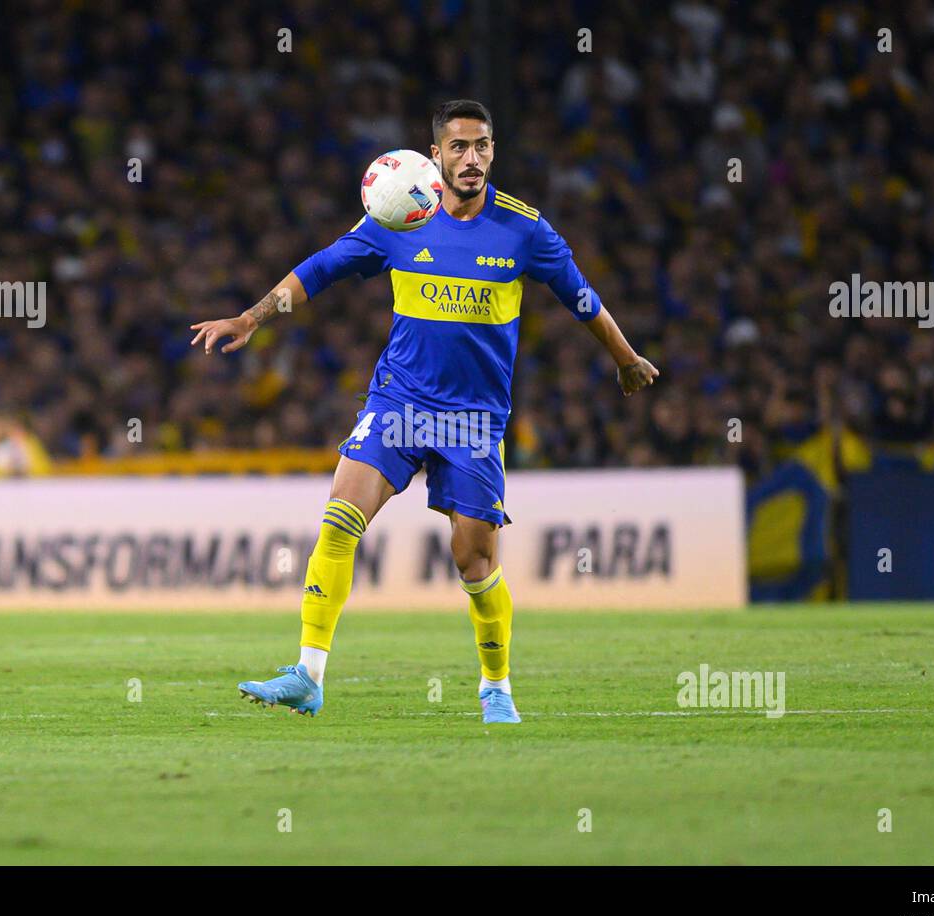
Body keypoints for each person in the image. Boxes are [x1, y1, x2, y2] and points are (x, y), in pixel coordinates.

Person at [190, 100, 657, 722]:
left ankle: (496, 686)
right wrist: (250, 318)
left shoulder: (524, 230)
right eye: (459, 147)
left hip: (472, 419)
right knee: (339, 519)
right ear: (434, 155)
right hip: (399, 402)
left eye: (483, 146)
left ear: (494, 151)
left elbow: (581, 299)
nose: (472, 159)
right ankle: (309, 673)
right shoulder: (399, 214)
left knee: (474, 559)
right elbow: (320, 270)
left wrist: (625, 358)